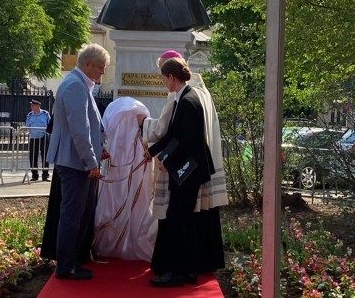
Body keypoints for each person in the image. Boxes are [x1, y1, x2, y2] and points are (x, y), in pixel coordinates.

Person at [139, 50, 227, 275]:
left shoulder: (187, 101)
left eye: (163, 78)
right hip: (185, 170)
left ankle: (177, 273)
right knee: (181, 219)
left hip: (188, 171)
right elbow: (172, 135)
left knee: (181, 221)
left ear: (171, 77)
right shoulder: (183, 96)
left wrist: (164, 158)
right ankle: (185, 271)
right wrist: (154, 151)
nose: (163, 83)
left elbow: (185, 141)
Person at [46, 44, 110, 280]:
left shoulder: (79, 84)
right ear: (89, 64)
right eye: (101, 68)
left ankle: (70, 262)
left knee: (74, 214)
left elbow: (87, 128)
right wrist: (91, 161)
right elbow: (79, 130)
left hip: (76, 160)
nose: (102, 73)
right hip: (75, 163)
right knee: (72, 215)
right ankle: (66, 266)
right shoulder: (75, 86)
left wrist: (98, 151)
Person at [94, 97, 157, 261]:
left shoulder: (128, 138)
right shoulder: (133, 133)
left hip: (128, 163)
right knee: (127, 199)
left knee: (128, 200)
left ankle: (115, 242)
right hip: (124, 163)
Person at [26, 99, 51, 181]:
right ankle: (34, 175)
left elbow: (49, 124)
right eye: (31, 105)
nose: (31, 106)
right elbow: (27, 126)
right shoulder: (30, 115)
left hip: (43, 137)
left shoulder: (45, 114)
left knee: (45, 157)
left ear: (38, 106)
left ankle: (45, 175)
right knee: (33, 157)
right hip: (33, 137)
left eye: (33, 105)